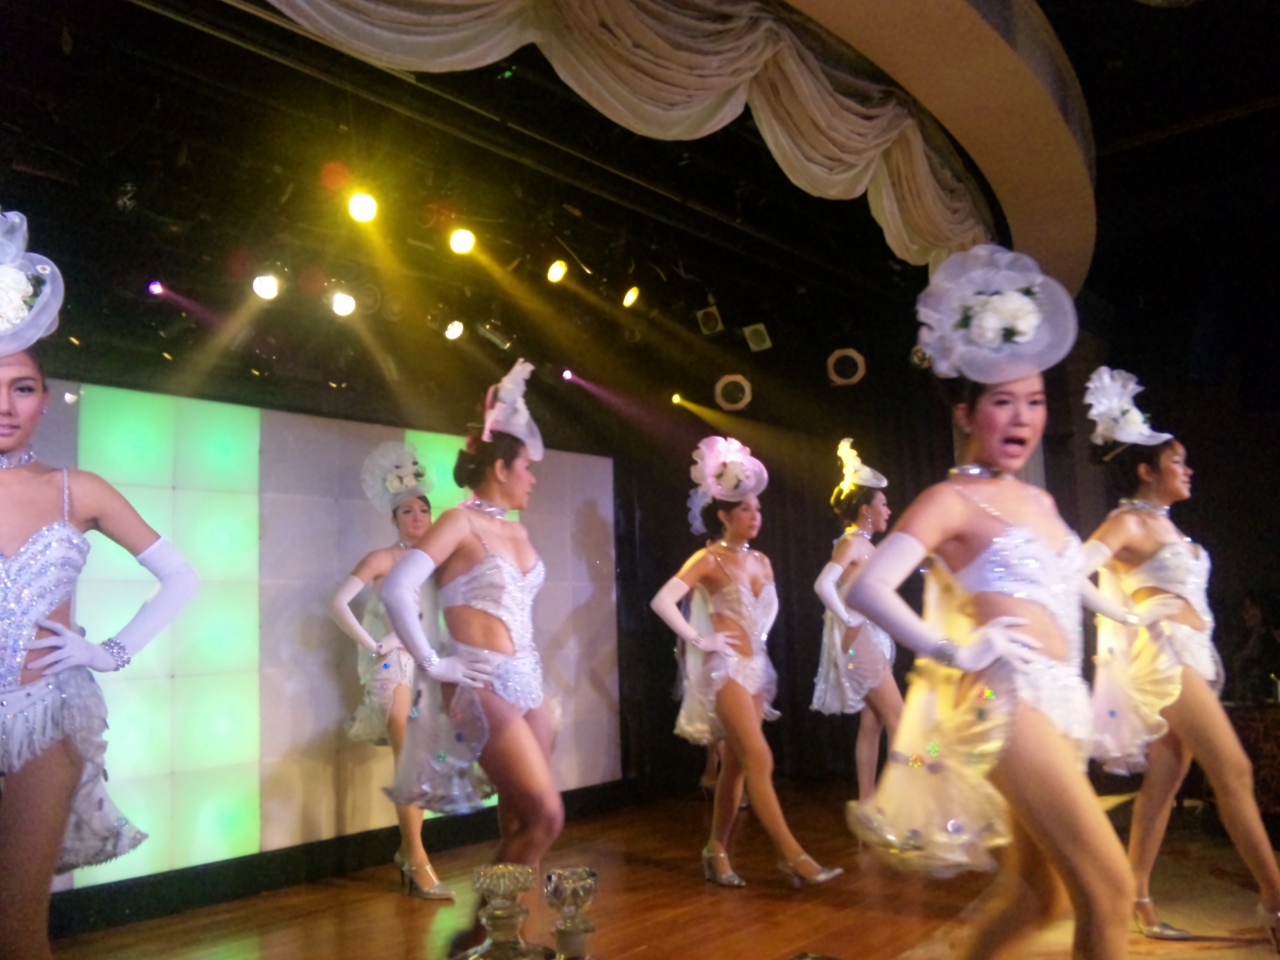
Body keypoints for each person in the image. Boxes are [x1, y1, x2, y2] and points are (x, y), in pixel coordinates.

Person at [847, 245, 1133, 960]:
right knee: (1111, 890)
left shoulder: (1040, 500)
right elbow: (867, 587)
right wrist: (956, 649)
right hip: (1006, 703)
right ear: (967, 412)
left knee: (1042, 897)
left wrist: (1132, 617)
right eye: (1003, 401)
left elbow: (1064, 583)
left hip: (1060, 699)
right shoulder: (950, 499)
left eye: (1034, 401)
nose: (1022, 416)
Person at [0, 210, 199, 960]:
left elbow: (179, 576)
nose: (5, 406)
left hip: (42, 719)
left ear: (45, 397)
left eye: (22, 388)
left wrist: (108, 652)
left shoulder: (74, 490)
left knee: (18, 926)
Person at [1083, 366, 1280, 948]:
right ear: (1146, 470)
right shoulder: (1126, 522)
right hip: (1166, 658)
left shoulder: (1166, 527)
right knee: (1234, 771)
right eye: (1177, 461)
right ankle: (1276, 901)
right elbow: (1071, 572)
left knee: (1165, 782)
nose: (1188, 469)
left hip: (1195, 654)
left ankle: (1137, 896)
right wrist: (1129, 617)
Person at [380, 359, 561, 880]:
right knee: (548, 817)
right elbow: (396, 587)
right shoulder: (459, 521)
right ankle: (485, 923)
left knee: (522, 818)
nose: (532, 479)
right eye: (526, 467)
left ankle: (510, 924)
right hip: (480, 681)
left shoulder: (519, 532)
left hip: (528, 679)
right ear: (501, 469)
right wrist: (434, 663)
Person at [651, 436, 842, 888]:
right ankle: (792, 856)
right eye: (744, 509)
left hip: (757, 669)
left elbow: (766, 613)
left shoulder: (762, 560)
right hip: (725, 670)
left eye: (757, 508)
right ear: (723, 515)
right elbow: (662, 600)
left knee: (736, 767)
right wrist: (701, 638)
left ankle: (715, 850)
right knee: (760, 757)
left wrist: (757, 639)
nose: (755, 516)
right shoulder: (707, 559)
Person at [328, 441, 450, 899]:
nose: (417, 517)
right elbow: (337, 604)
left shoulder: (437, 564)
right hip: (392, 666)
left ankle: (407, 851)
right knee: (409, 753)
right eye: (407, 511)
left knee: (417, 760)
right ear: (394, 518)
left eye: (424, 510)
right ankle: (417, 858)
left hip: (426, 668)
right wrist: (375, 643)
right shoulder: (383, 558)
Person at [811, 440, 902, 801]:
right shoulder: (851, 543)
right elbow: (823, 584)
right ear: (866, 509)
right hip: (860, 643)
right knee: (900, 719)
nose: (888, 510)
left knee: (873, 722)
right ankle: (902, 801)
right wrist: (848, 618)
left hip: (871, 639)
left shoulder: (866, 545)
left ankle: (868, 802)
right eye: (883, 504)